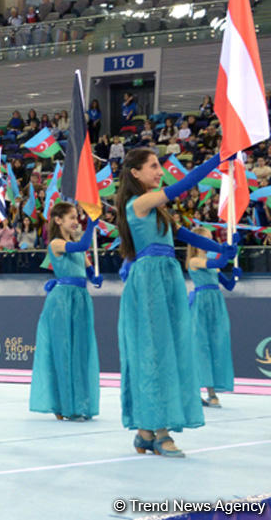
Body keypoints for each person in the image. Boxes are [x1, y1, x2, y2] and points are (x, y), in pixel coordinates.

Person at [114, 148, 235, 458]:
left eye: (159, 166)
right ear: (135, 173)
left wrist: (222, 250)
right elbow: (182, 186)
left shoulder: (158, 212)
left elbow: (188, 238)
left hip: (167, 281)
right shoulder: (138, 203)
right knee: (155, 353)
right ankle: (160, 430)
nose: (159, 171)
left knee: (168, 350)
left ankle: (145, 431)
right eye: (153, 166)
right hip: (150, 282)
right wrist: (218, 159)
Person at [29, 202, 101, 422]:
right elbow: (81, 248)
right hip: (62, 301)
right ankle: (65, 404)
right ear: (58, 220)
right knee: (63, 351)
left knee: (79, 352)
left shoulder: (77, 243)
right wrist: (91, 224)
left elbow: (87, 266)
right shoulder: (57, 243)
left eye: (77, 218)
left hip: (80, 299)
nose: (75, 221)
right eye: (72, 217)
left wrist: (94, 276)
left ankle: (79, 402)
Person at [185, 226, 238, 409]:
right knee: (202, 347)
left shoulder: (209, 260)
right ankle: (209, 393)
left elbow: (228, 285)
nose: (211, 243)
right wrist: (229, 249)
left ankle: (209, 391)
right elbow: (219, 263)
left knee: (218, 344)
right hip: (201, 305)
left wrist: (235, 277)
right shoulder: (194, 261)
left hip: (216, 304)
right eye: (208, 239)